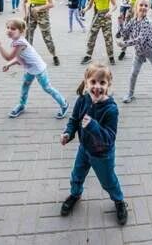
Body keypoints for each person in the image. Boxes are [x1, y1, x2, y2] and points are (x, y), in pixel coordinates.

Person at [59, 63, 127, 225]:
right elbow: (74, 120)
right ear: (87, 82)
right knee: (77, 175)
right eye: (93, 82)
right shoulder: (82, 100)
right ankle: (75, 194)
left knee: (108, 181)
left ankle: (119, 201)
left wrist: (93, 126)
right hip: (84, 149)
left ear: (108, 85)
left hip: (102, 154)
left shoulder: (111, 109)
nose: (97, 87)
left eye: (102, 83)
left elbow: (109, 138)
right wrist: (68, 134)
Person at [0, 19, 68, 119]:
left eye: (13, 29)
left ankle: (64, 104)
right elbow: (18, 58)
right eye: (8, 28)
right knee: (25, 85)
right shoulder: (16, 41)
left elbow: (8, 57)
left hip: (39, 69)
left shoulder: (20, 43)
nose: (9, 30)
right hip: (30, 69)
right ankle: (22, 105)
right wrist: (9, 65)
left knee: (47, 88)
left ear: (21, 31)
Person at [118, 0, 152, 104]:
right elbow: (124, 33)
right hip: (139, 52)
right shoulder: (133, 21)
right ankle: (130, 93)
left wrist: (124, 44)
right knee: (133, 73)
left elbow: (140, 39)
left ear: (149, 8)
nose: (143, 7)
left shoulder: (147, 22)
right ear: (136, 7)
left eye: (146, 6)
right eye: (141, 5)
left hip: (150, 51)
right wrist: (120, 23)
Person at [24, 0, 60, 66]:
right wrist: (25, 13)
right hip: (31, 13)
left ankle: (54, 55)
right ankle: (28, 56)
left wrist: (40, 8)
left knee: (47, 36)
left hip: (43, 14)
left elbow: (52, 4)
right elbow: (25, 2)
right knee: (28, 35)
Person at [81, 0, 117, 65]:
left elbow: (115, 5)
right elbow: (89, 5)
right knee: (92, 37)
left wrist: (110, 12)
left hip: (106, 17)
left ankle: (111, 56)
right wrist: (84, 10)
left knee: (108, 38)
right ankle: (88, 56)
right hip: (97, 16)